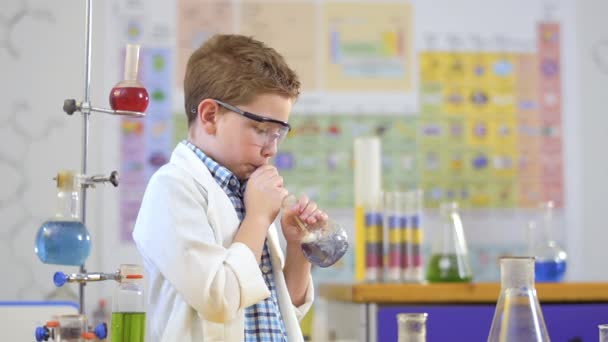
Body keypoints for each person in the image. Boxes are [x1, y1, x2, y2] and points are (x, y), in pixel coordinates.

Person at [132, 34, 326, 341]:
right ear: (210, 116)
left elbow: (279, 308)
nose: (271, 149)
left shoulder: (245, 191)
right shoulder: (171, 189)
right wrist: (259, 219)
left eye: (279, 133)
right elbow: (219, 299)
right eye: (263, 130)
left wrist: (298, 250)